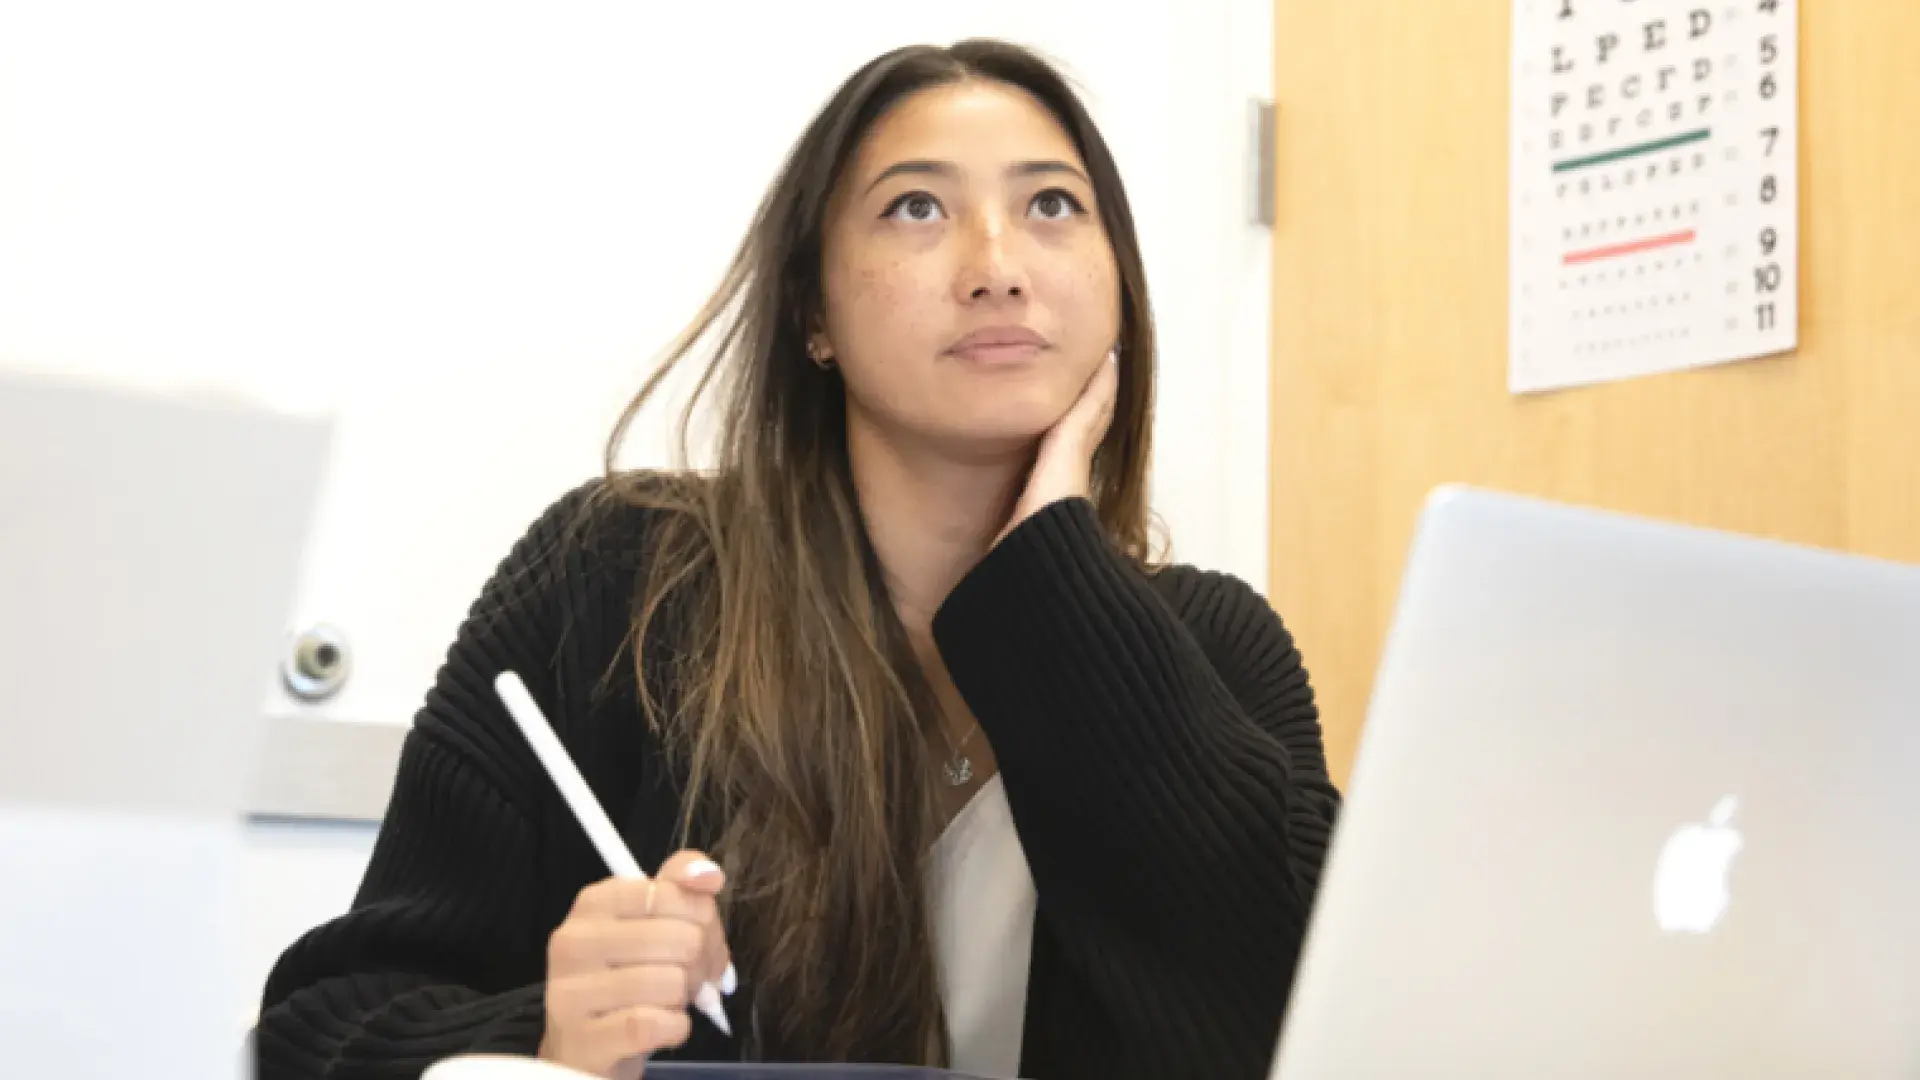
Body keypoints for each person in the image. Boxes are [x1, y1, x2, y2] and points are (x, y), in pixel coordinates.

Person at [254, 38, 1340, 1080]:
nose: (998, 267)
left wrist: (1056, 570)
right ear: (812, 309)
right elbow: (324, 1030)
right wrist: (551, 1040)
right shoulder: (620, 583)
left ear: (1119, 287)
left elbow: (1289, 1027)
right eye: (918, 207)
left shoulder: (1220, 649)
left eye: (1051, 205)